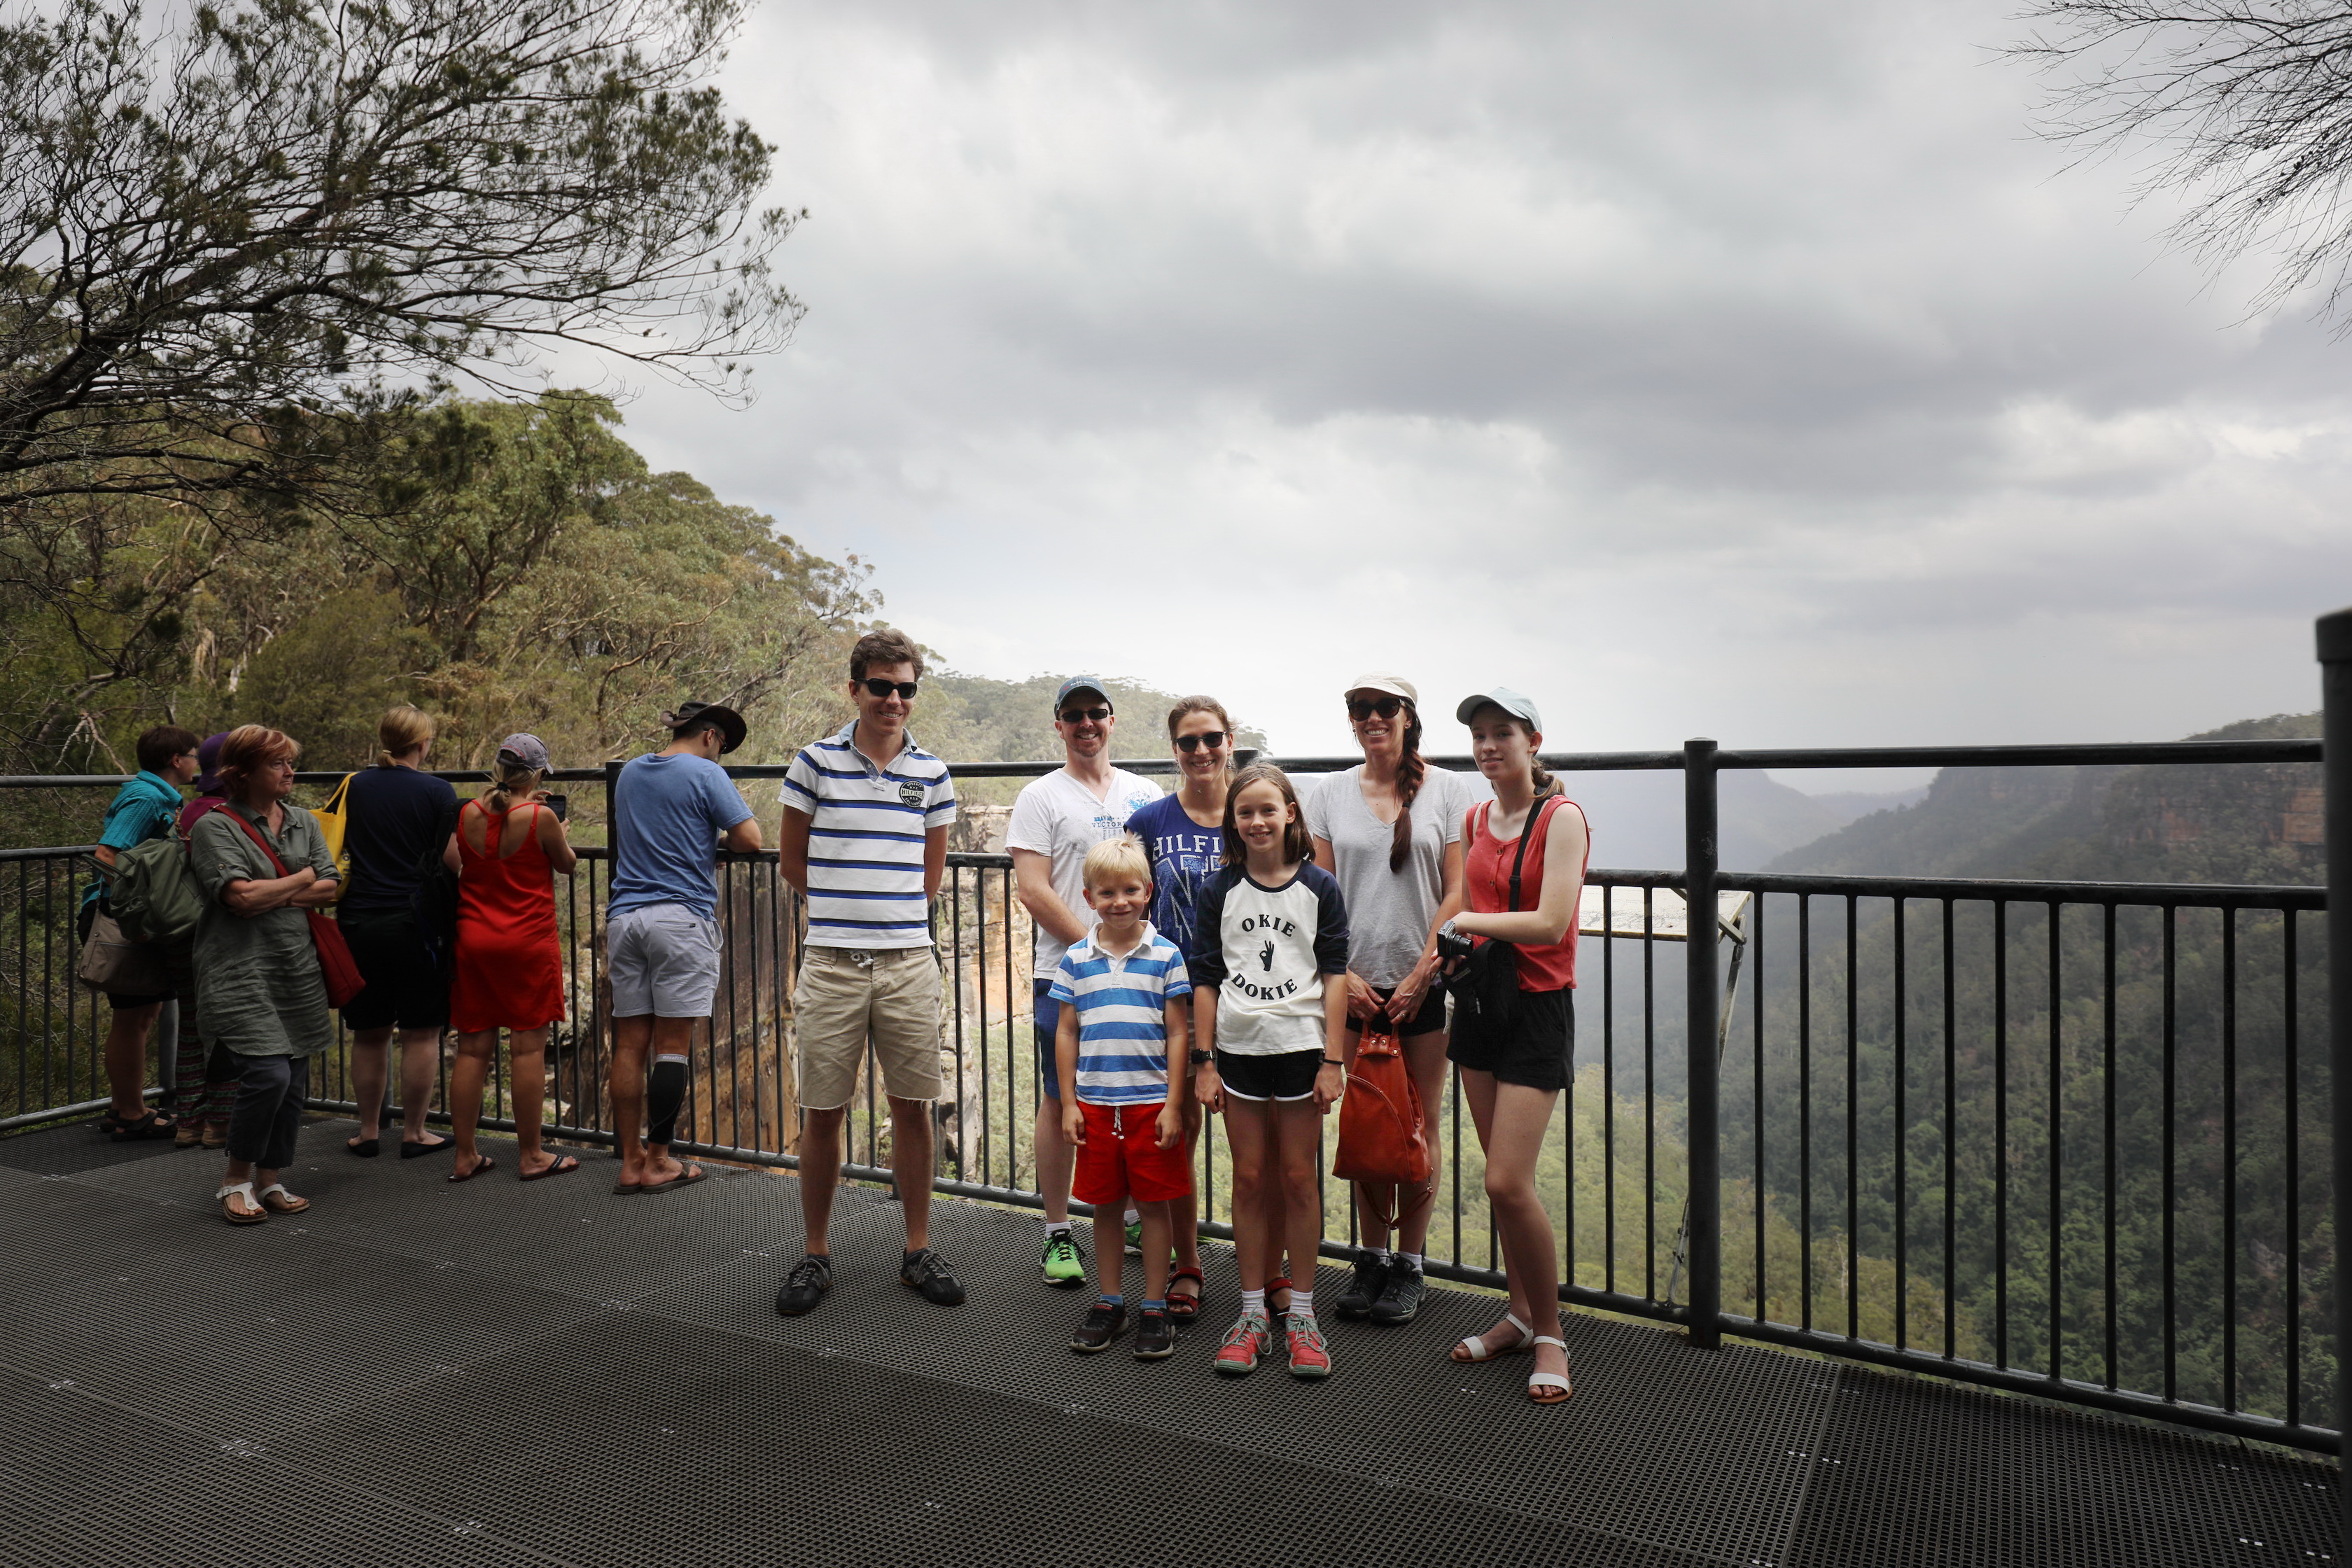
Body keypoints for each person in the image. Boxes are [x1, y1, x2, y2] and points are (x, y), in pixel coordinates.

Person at [772, 629, 966, 1315]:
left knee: (913, 1108)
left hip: (909, 962)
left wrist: (888, 922)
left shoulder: (932, 774)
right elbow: (793, 862)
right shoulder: (814, 763)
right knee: (821, 1111)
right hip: (830, 963)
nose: (893, 699)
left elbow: (931, 876)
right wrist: (846, 912)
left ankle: (917, 1249)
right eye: (881, 686)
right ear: (854, 688)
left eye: (905, 688)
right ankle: (816, 1252)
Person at [1305, 674, 1482, 1327]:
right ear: (1352, 720)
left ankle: (1409, 1265)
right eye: (1361, 709)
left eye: (1385, 708)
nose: (1373, 718)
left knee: (1419, 1123)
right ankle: (1370, 1258)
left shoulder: (1448, 790)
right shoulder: (1330, 792)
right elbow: (1320, 890)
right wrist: (1341, 972)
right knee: (1367, 1121)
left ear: (1409, 717)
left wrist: (1424, 971)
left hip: (1421, 984)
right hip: (1352, 984)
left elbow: (1457, 891)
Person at [1438, 686, 1590, 1406]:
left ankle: (1552, 1330)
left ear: (1534, 739)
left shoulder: (1561, 817)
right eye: (1479, 734)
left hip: (1535, 1009)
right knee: (1502, 1180)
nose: (1489, 745)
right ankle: (1519, 1314)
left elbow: (1553, 920)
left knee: (1506, 1179)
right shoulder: (1476, 816)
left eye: (1503, 732)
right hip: (1479, 1003)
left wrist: (1469, 917)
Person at [1189, 764, 1350, 1380]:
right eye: (1244, 813)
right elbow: (1206, 977)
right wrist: (1204, 1062)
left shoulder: (1318, 888)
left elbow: (1335, 974)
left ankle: (1303, 1313)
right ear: (1234, 823)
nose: (1257, 822)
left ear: (1290, 813)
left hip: (1302, 1049)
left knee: (1299, 1180)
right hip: (1238, 1051)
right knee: (1251, 1179)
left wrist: (1334, 1060)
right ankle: (1253, 1312)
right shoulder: (1220, 891)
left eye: (1267, 810)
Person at [1007, 677, 1163, 1288]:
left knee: (1129, 1095)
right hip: (1065, 974)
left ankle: (1127, 1216)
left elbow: (1156, 882)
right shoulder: (1040, 797)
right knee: (1060, 1097)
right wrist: (1092, 952)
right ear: (1059, 725)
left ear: (1113, 719)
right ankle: (1056, 1234)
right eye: (1074, 715)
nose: (1086, 723)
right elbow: (1033, 888)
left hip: (1142, 975)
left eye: (1096, 712)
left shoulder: (1144, 793)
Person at [606, 701, 762, 1194]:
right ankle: (659, 1161)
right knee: (671, 1050)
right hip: (679, 921)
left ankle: (630, 1161)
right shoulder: (705, 773)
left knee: (630, 1046)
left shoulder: (630, 772)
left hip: (625, 918)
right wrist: (716, 845)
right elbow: (750, 840)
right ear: (710, 737)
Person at [188, 726, 341, 1224]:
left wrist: (273, 889)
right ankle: (235, 1179)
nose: (290, 772)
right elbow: (237, 897)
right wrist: (299, 880)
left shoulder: (302, 821)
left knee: (294, 1077)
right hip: (237, 967)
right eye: (277, 764)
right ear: (243, 772)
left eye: (290, 762)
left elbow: (330, 886)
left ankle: (270, 1179)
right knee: (268, 1073)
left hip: (294, 964)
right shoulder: (216, 827)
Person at [1051, 835, 1192, 1361]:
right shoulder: (1075, 960)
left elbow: (1179, 1033)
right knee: (1106, 1208)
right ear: (1089, 898)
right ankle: (1111, 1301)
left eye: (1130, 890)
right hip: (1094, 1105)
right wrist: (1068, 1103)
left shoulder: (1166, 957)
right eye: (1107, 892)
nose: (1119, 902)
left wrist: (1173, 1104)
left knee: (1155, 1209)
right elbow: (1067, 1032)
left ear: (1148, 892)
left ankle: (1154, 1304)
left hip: (1150, 1105)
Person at [1119, 695, 1237, 1322]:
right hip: (1170, 1000)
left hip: (1248, 1001)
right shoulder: (1151, 820)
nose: (1201, 752)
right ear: (1175, 749)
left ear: (1230, 741)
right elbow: (1127, 904)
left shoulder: (1251, 812)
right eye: (1188, 742)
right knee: (1179, 1139)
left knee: (1255, 1144)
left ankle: (1266, 1272)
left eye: (1211, 739)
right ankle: (1187, 1265)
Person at [444, 734, 580, 1183]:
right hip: (526, 943)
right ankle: (532, 1155)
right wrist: (558, 830)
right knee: (526, 1049)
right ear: (537, 774)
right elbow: (566, 864)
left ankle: (465, 1155)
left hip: (474, 940)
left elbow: (457, 859)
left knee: (472, 1049)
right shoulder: (540, 817)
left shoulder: (466, 812)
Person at [339, 706, 458, 1159]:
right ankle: (414, 1132)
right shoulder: (435, 791)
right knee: (421, 1032)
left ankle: (368, 1130)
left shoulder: (355, 786)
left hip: (358, 920)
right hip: (416, 923)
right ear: (422, 743)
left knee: (368, 1031)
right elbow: (451, 858)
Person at [85, 725, 202, 1142]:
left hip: (137, 921)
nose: (197, 762)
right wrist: (132, 913)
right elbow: (107, 855)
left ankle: (125, 1106)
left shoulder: (159, 796)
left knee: (141, 1015)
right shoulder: (146, 797)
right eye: (193, 754)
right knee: (132, 1018)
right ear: (176, 761)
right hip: (127, 921)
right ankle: (131, 1113)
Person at [169, 732, 239, 1147]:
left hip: (180, 929)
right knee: (229, 1026)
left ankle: (188, 1121)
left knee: (192, 1026)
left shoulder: (189, 809)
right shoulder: (225, 813)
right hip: (215, 932)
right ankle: (221, 1123)